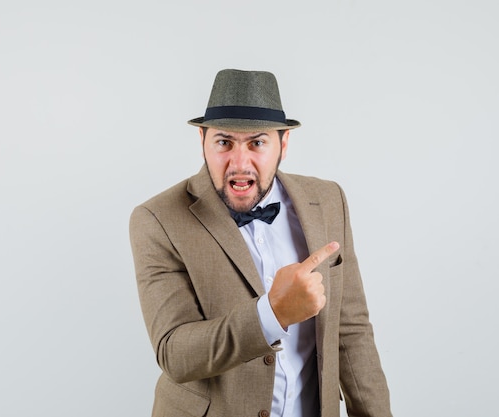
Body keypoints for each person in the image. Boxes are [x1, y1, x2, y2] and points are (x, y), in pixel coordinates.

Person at [129, 69, 392, 417]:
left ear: (283, 144)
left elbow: (352, 331)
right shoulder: (158, 219)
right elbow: (175, 353)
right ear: (202, 140)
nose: (239, 163)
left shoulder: (327, 201)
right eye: (224, 142)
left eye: (257, 142)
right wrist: (273, 314)